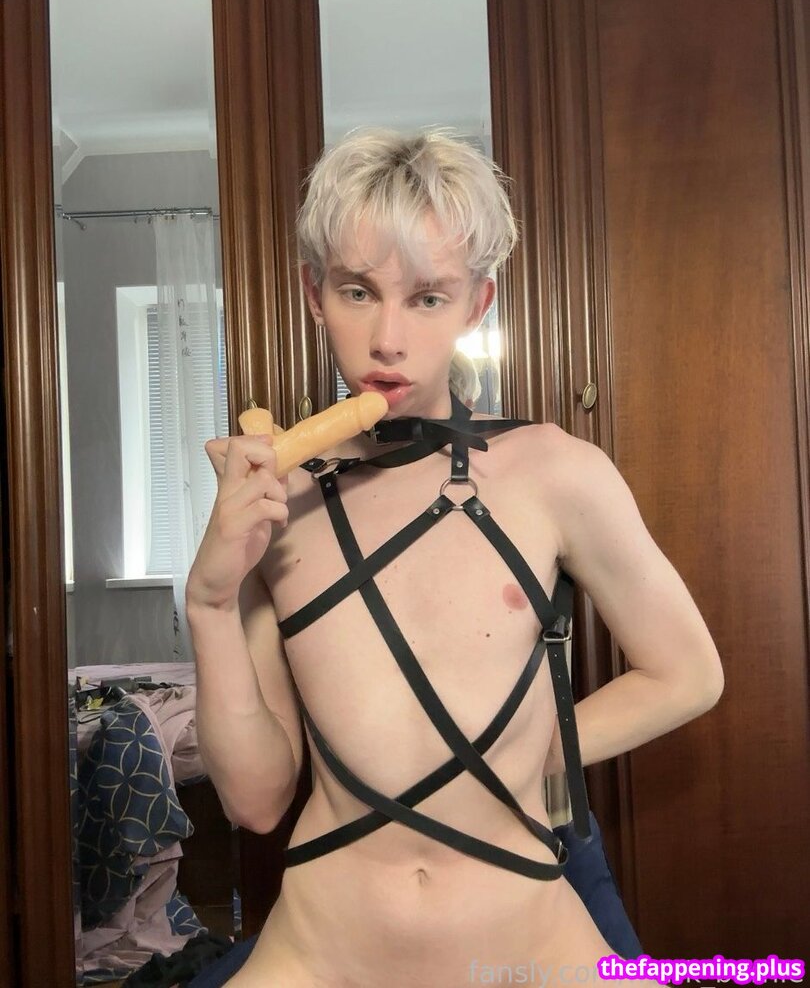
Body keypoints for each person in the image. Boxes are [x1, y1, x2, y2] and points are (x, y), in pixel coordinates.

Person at [185, 129, 724, 988]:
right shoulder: (273, 501)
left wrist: (533, 749)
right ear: (313, 294)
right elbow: (255, 802)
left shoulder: (557, 472)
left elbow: (687, 674)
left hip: (530, 956)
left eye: (428, 298)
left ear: (478, 303)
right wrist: (210, 602)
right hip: (319, 958)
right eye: (357, 291)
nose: (387, 339)